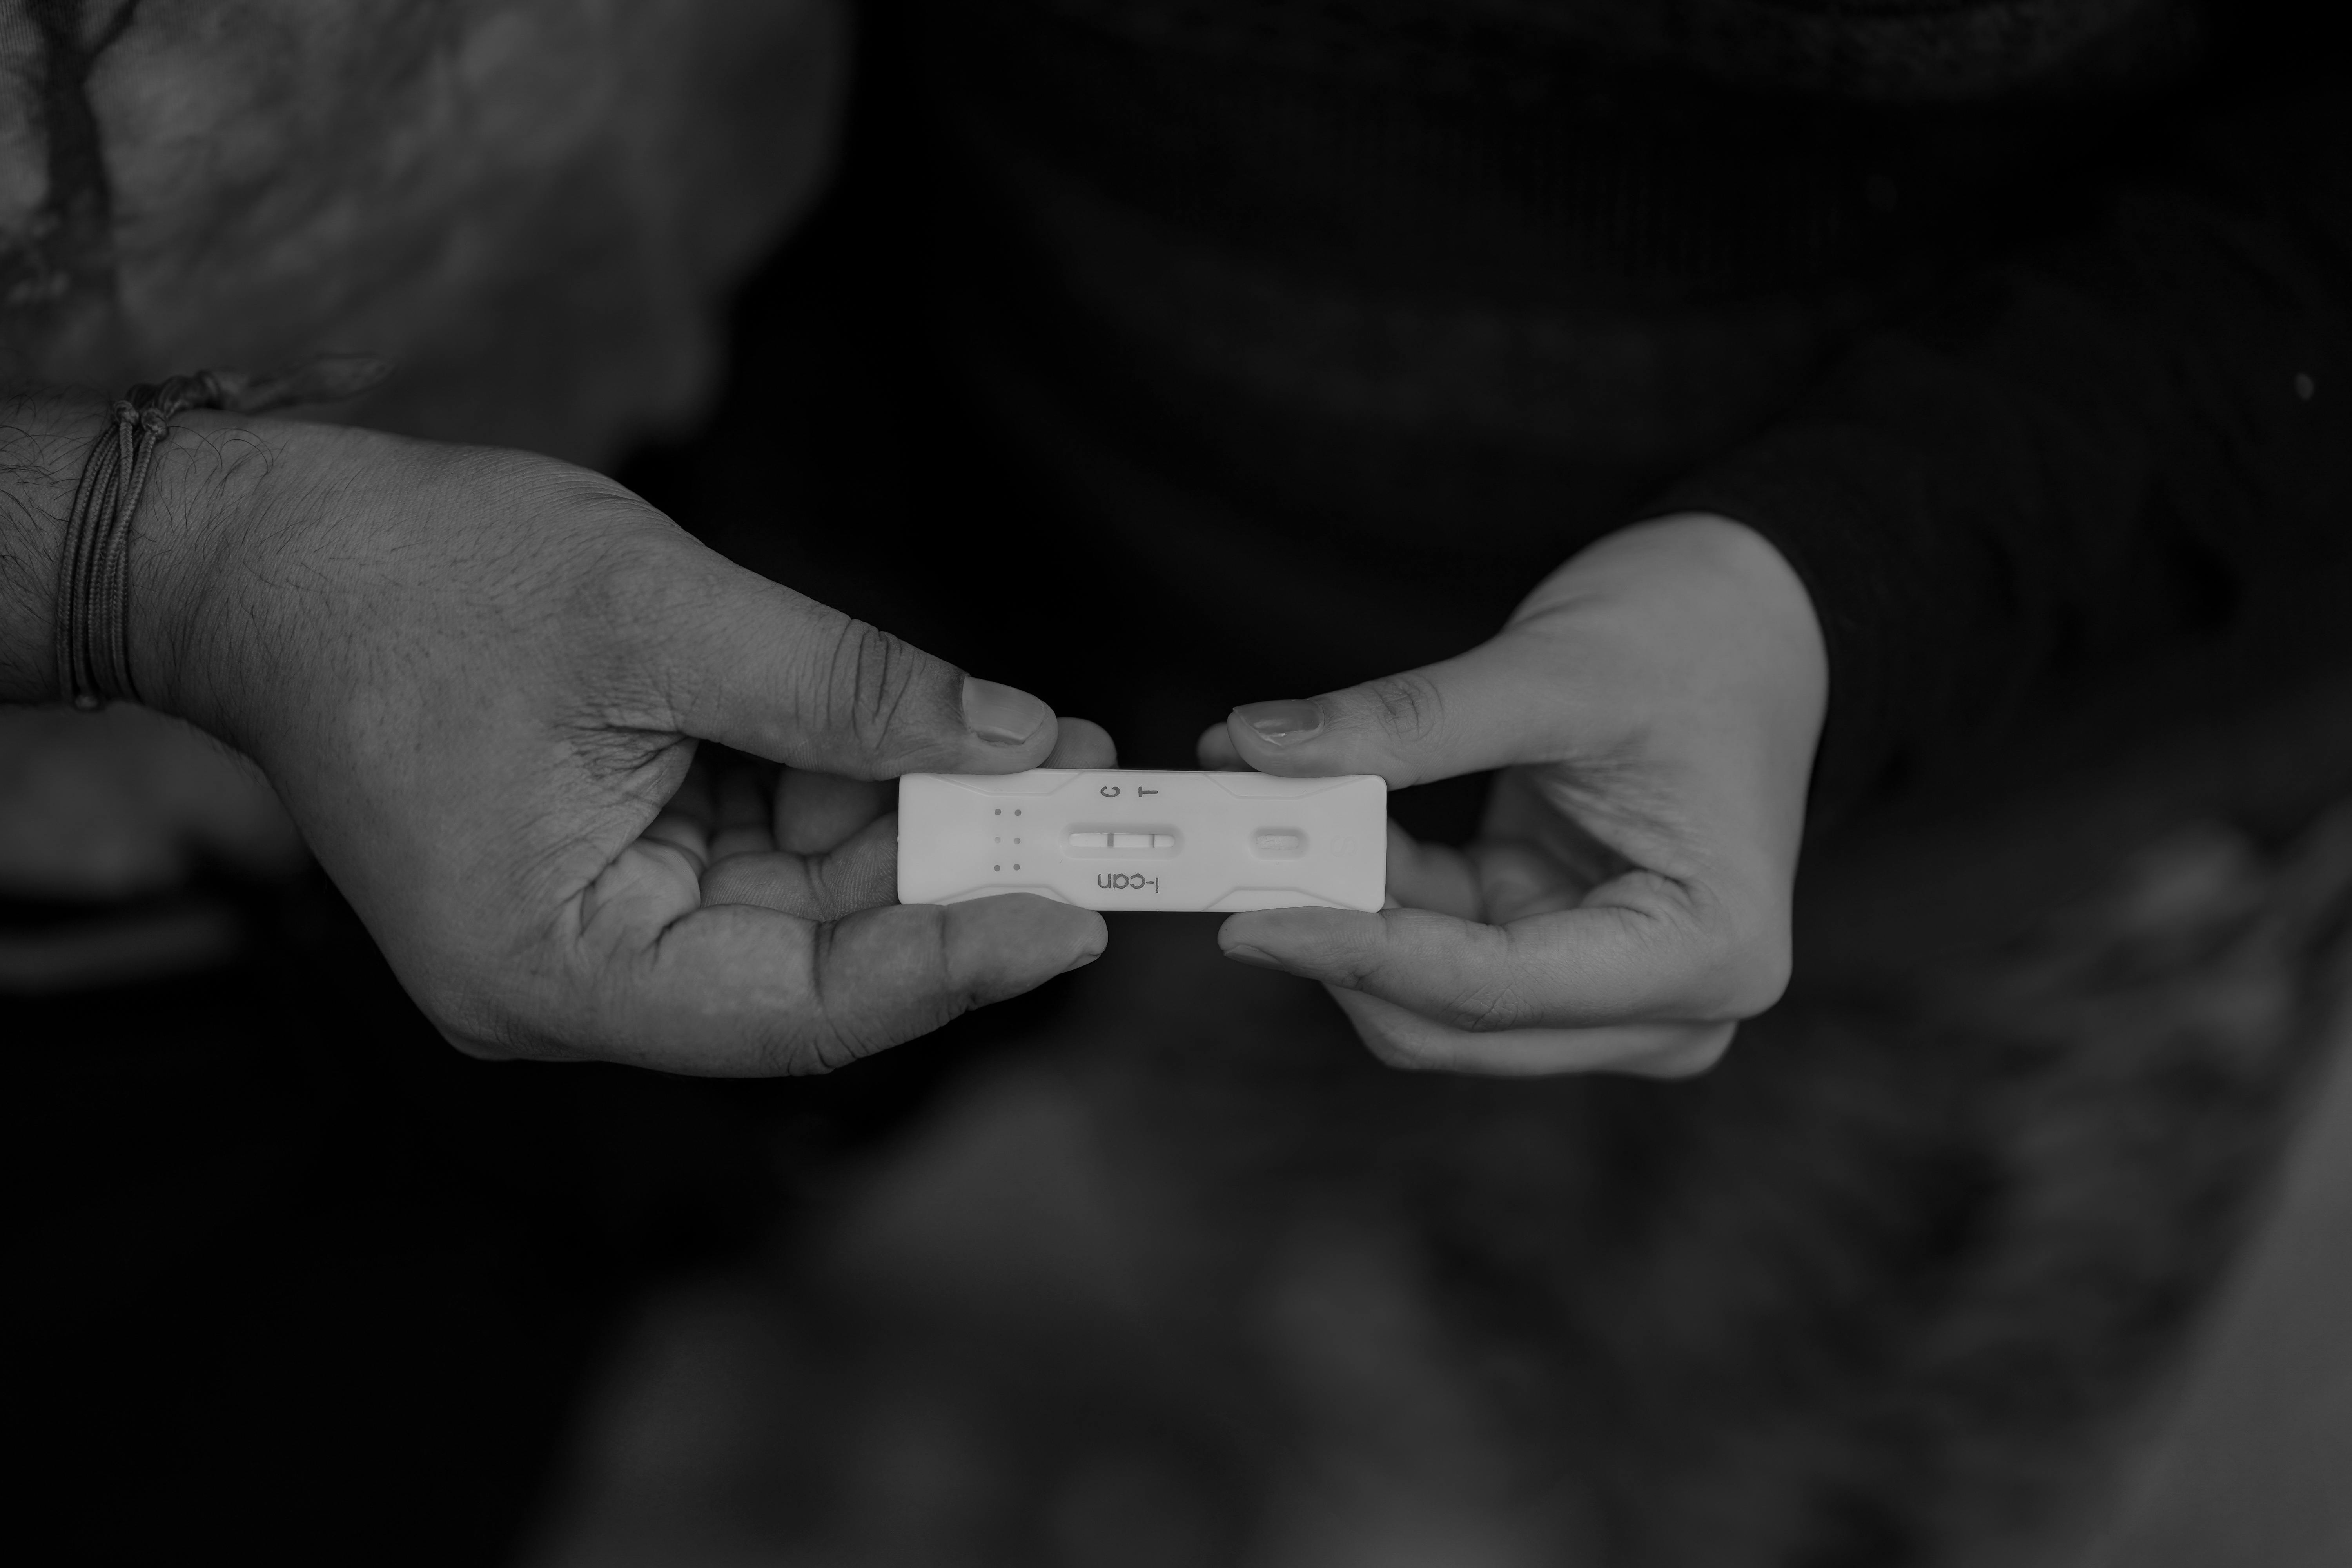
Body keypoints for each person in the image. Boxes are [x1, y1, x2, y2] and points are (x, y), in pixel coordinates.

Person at [5, 0, 2348, 1560]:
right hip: (1106, 633)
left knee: (1825, 1471)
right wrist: (177, 569)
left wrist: (1853, 589)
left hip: (2046, 795)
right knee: (1346, 1326)